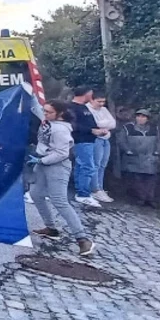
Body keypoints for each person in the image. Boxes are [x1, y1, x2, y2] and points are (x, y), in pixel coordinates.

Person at [28, 101, 97, 256]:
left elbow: (62, 153)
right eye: (45, 111)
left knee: (59, 200)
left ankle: (83, 239)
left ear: (59, 114)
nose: (45, 114)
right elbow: (35, 105)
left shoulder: (60, 130)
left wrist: (42, 160)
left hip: (57, 166)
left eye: (49, 112)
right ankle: (51, 228)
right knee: (36, 194)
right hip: (42, 162)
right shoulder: (48, 120)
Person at [67, 85, 103, 208]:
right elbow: (72, 125)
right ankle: (83, 194)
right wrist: (91, 130)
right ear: (86, 93)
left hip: (89, 140)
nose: (92, 96)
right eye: (91, 93)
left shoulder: (84, 108)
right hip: (81, 141)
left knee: (81, 166)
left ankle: (81, 191)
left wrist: (98, 130)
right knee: (88, 166)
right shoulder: (71, 107)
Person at [117, 109, 160, 207]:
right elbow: (121, 141)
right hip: (134, 158)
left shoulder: (154, 128)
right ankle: (141, 198)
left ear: (147, 119)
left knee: (151, 179)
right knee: (137, 179)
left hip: (149, 158)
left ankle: (150, 199)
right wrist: (127, 150)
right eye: (139, 116)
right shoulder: (128, 128)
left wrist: (157, 152)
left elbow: (158, 141)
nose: (140, 118)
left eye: (143, 117)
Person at [89, 91, 117, 203]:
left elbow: (113, 124)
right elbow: (95, 123)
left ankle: (100, 187)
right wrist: (104, 124)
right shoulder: (88, 109)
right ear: (92, 100)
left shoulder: (104, 110)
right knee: (95, 164)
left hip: (106, 139)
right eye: (99, 101)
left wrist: (102, 124)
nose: (101, 104)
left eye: (103, 101)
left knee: (103, 164)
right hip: (96, 139)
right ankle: (94, 189)